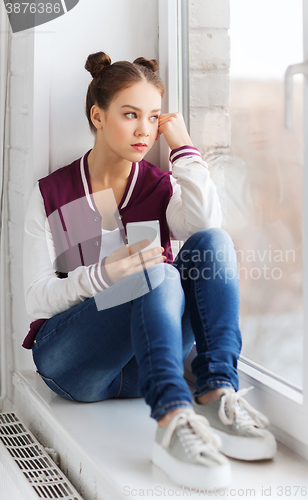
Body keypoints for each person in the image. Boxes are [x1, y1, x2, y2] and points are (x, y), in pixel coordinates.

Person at [22, 51, 277, 491]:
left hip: (148, 366)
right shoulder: (54, 194)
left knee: (211, 245)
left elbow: (204, 227)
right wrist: (105, 275)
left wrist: (184, 149)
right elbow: (37, 296)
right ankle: (173, 416)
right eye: (129, 114)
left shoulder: (158, 186)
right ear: (97, 116)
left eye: (153, 116)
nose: (144, 129)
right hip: (76, 364)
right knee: (157, 273)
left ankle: (217, 393)